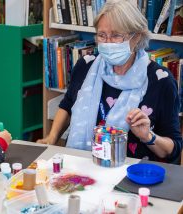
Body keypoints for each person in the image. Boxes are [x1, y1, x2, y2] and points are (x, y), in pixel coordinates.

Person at [37, 0, 182, 164]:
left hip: (131, 177)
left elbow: (173, 148)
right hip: (81, 166)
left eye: (116, 35)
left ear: (137, 38)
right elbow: (67, 105)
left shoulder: (161, 80)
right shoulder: (86, 65)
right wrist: (52, 137)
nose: (107, 43)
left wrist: (148, 136)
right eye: (101, 35)